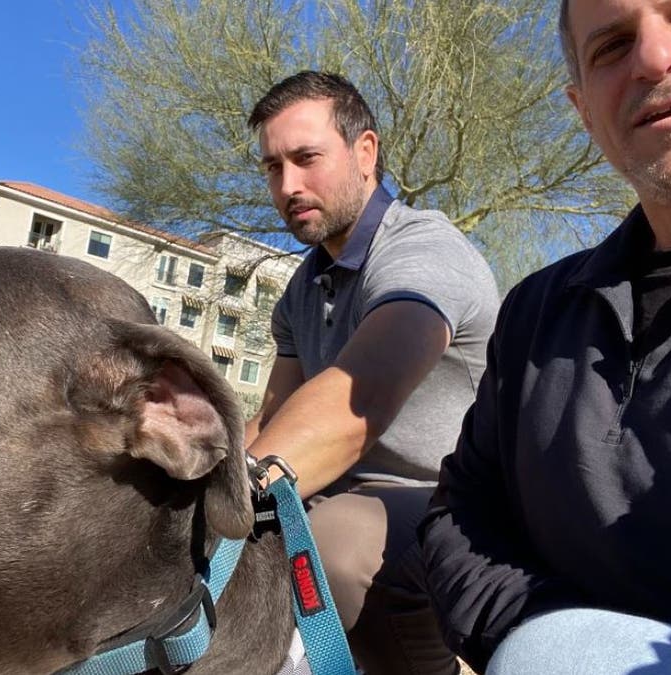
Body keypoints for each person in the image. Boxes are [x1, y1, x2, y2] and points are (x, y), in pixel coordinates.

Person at [420, 0, 671, 673]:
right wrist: (548, 635)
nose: (654, 57)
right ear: (583, 109)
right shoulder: (536, 313)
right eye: (611, 45)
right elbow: (460, 513)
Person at [245, 71, 499, 674]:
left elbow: (360, 399)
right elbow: (275, 418)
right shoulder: (302, 288)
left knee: (336, 545)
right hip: (337, 492)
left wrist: (232, 502)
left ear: (365, 153)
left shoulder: (423, 251)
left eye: (307, 158)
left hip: (450, 501)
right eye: (273, 168)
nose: (289, 185)